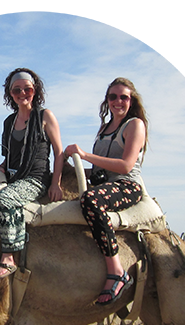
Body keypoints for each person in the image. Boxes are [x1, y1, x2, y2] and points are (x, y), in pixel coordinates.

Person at [65, 77, 149, 304]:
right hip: (106, 185)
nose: (118, 101)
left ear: (131, 100)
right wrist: (71, 168)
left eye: (124, 97)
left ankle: (116, 271)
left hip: (127, 186)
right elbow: (100, 169)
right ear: (107, 100)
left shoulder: (134, 125)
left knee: (90, 200)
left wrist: (84, 155)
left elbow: (125, 166)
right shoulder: (104, 129)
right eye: (113, 96)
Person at [0, 68, 64, 282]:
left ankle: (9, 257)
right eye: (16, 90)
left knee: (4, 199)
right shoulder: (9, 122)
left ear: (35, 90)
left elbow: (59, 152)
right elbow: (11, 155)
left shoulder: (45, 116)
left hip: (35, 178)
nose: (22, 93)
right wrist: (0, 167)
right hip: (12, 177)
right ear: (10, 94)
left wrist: (55, 183)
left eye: (27, 89)